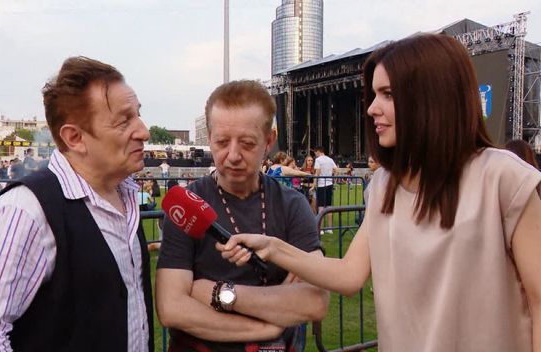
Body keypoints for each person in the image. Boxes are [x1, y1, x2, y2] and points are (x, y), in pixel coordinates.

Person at [218, 34, 541, 352]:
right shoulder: (385, 184)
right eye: (373, 95)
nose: (372, 108)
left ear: (432, 96)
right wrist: (272, 247)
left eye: (387, 94)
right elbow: (349, 274)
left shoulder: (503, 178)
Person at [0, 56, 154, 351]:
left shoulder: (126, 196)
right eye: (124, 121)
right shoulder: (25, 211)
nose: (144, 131)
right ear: (75, 137)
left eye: (138, 115)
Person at [156, 80, 328, 352]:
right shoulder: (187, 206)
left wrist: (216, 293)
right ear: (210, 137)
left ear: (269, 141)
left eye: (247, 143)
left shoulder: (292, 205)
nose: (233, 155)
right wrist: (268, 326)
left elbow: (315, 301)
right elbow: (172, 309)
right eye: (222, 142)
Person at [313, 146, 338, 230]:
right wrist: (332, 178)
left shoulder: (318, 160)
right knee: (328, 206)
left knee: (321, 207)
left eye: (315, 153)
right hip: (329, 184)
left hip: (321, 185)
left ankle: (321, 228)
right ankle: (330, 228)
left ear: (318, 152)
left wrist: (314, 184)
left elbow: (317, 172)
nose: (315, 155)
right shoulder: (330, 159)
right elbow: (336, 170)